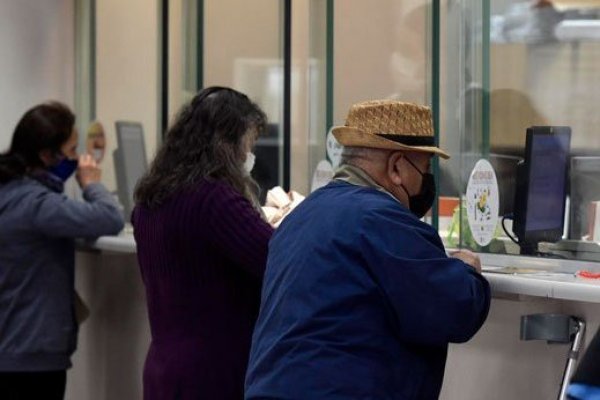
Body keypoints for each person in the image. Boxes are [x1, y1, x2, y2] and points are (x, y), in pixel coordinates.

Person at [245, 100, 491, 399]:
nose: (427, 181)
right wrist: (468, 273)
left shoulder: (302, 215)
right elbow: (453, 309)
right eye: (425, 168)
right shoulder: (381, 220)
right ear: (397, 166)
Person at [132, 86, 274, 400]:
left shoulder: (149, 202)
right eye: (249, 143)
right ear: (228, 143)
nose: (249, 155)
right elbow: (275, 261)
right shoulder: (215, 199)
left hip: (163, 368)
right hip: (214, 372)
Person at [0, 101, 124, 399]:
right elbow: (110, 218)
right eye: (71, 151)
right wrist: (92, 184)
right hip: (30, 356)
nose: (78, 159)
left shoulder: (10, 191)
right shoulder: (38, 205)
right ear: (46, 155)